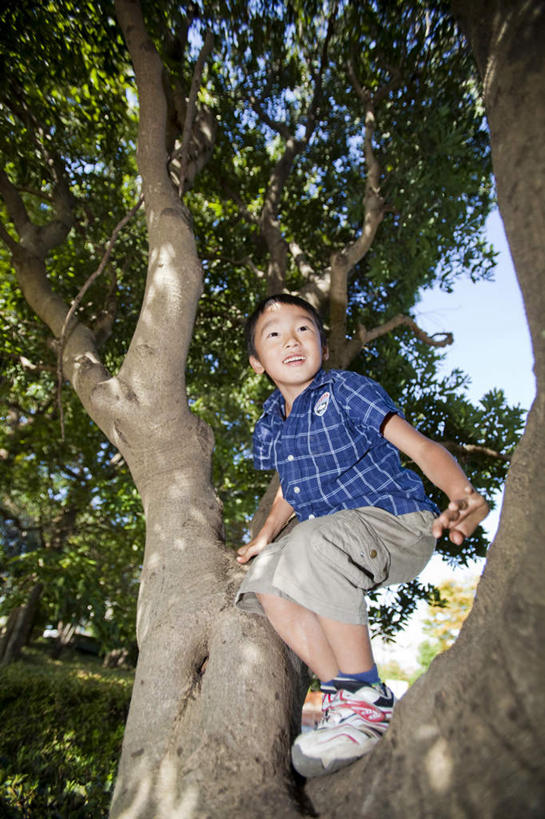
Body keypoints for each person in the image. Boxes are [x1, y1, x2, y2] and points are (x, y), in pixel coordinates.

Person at [235, 293, 489, 778]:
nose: (291, 339)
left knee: (311, 543)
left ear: (324, 348)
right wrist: (266, 533)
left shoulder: (344, 389)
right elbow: (292, 484)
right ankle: (349, 704)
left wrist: (461, 492)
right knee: (264, 581)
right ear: (257, 363)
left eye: (304, 329)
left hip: (397, 522)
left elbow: (420, 446)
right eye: (274, 334)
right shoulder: (273, 421)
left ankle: (364, 692)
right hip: (338, 539)